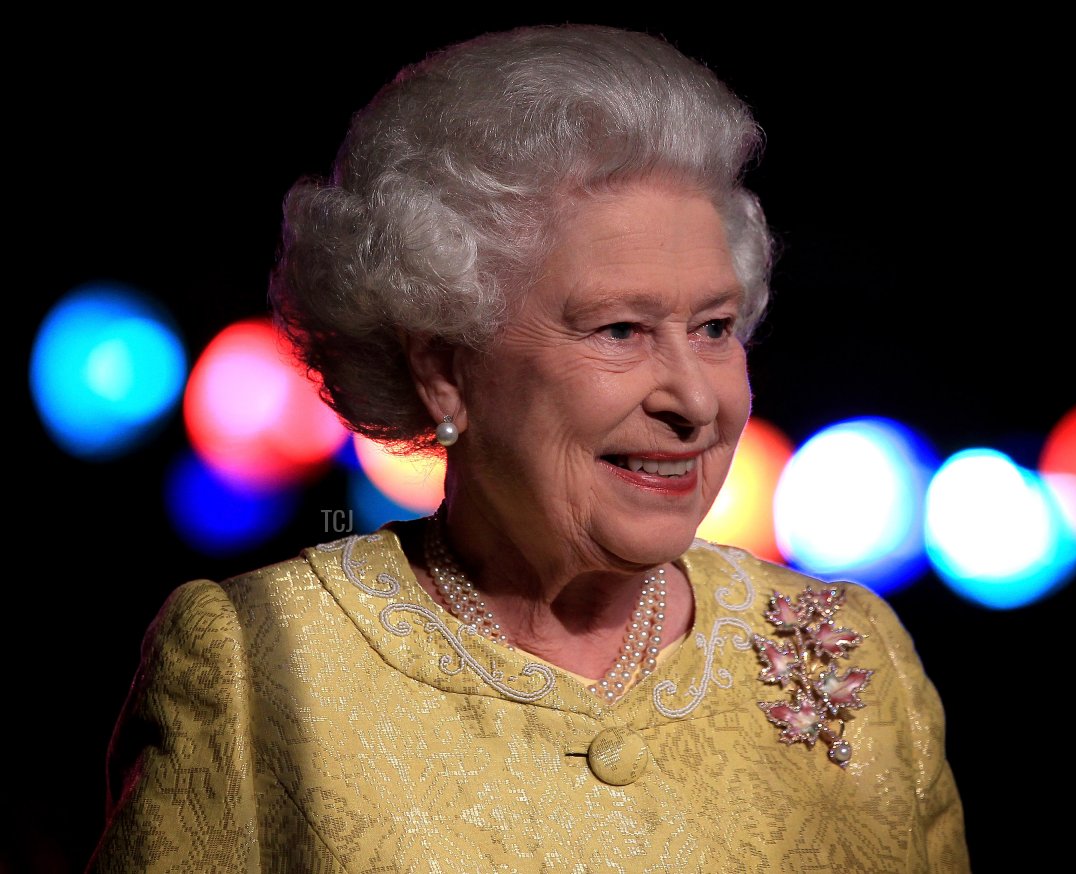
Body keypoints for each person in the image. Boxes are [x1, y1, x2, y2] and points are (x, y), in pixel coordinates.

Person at [87, 24, 969, 872]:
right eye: (620, 330)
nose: (695, 401)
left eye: (714, 327)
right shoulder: (257, 666)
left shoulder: (857, 651)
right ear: (444, 369)